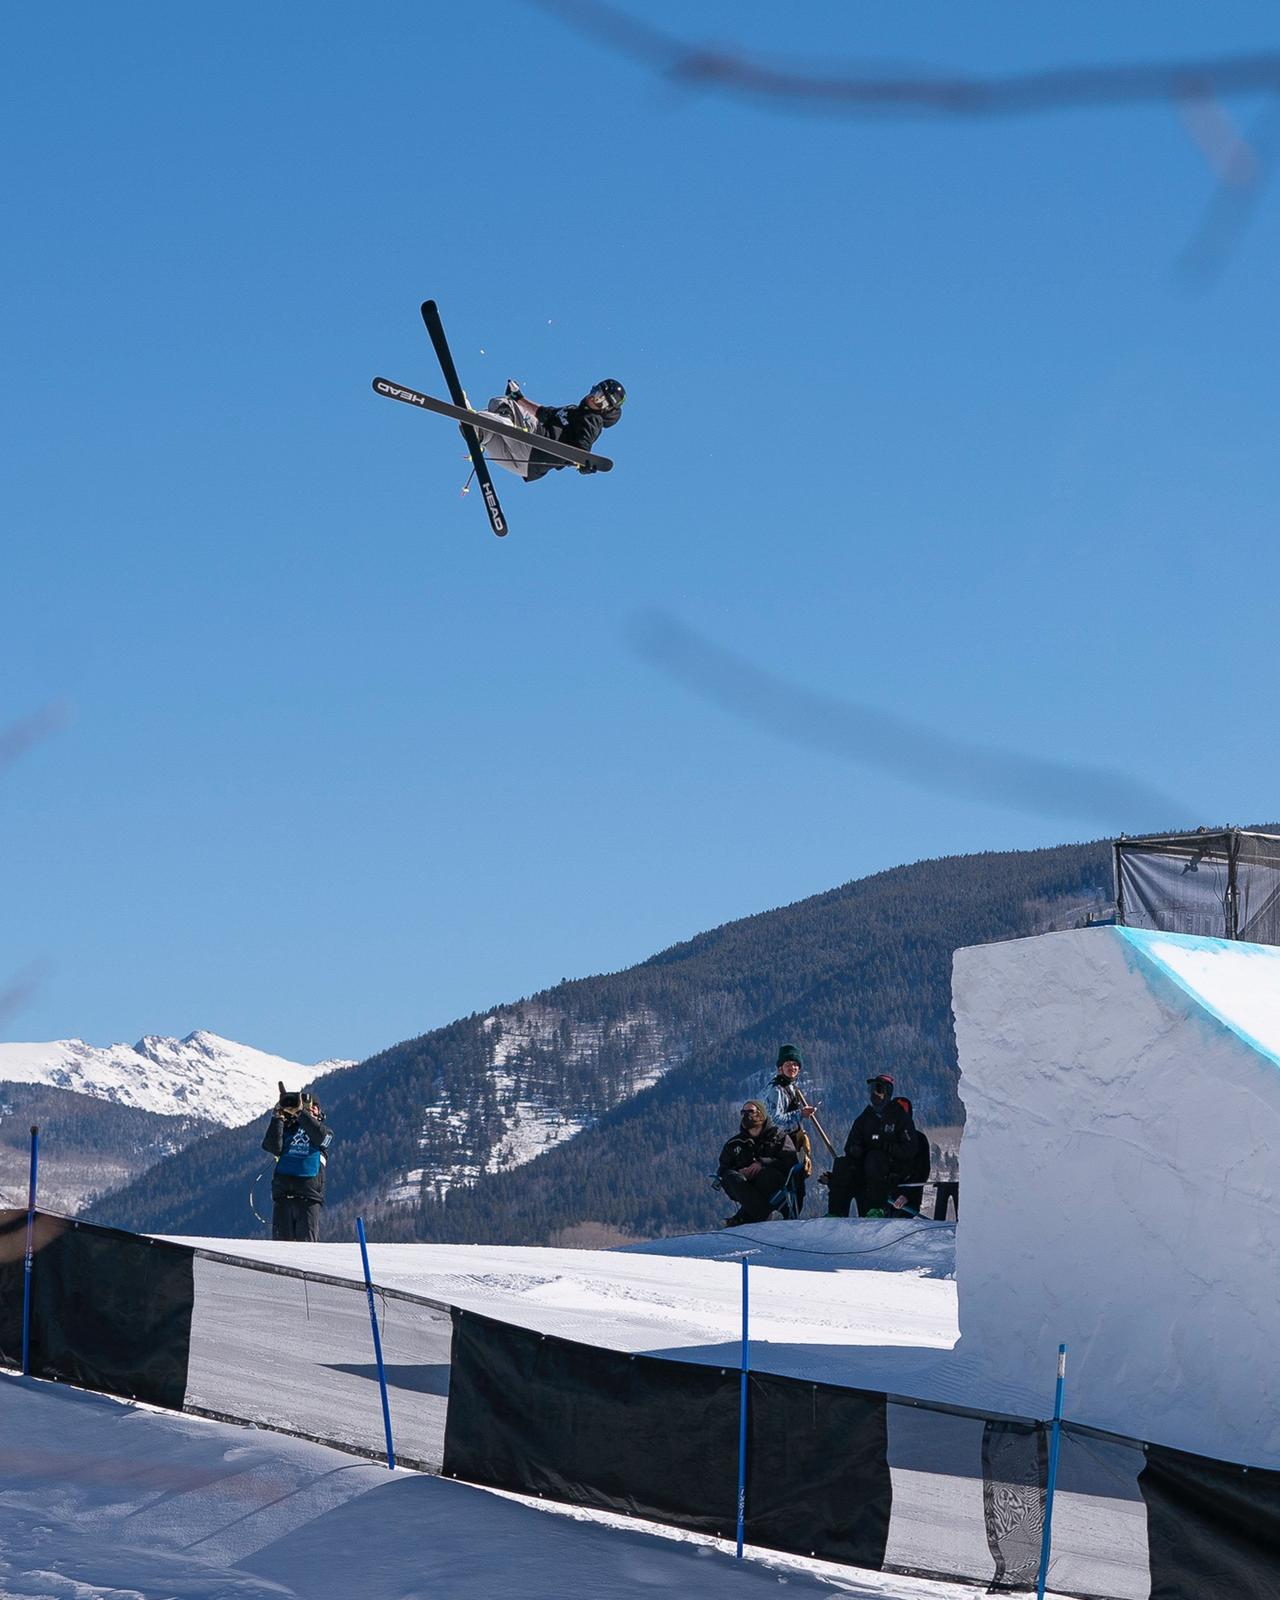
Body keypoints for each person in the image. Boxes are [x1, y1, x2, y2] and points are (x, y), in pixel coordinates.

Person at [475, 378, 625, 481]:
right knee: (488, 430)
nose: (593, 399)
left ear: (606, 409)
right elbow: (544, 413)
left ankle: (503, 423)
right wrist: (518, 397)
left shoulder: (592, 419)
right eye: (596, 393)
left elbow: (583, 445)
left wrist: (584, 463)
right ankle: (478, 431)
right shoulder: (572, 410)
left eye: (601, 401)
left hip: (535, 446)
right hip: (524, 467)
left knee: (502, 402)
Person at [827, 1073, 915, 1218]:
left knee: (876, 1158)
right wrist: (856, 1149)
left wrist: (885, 1146)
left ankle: (877, 1208)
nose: (874, 1093)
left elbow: (910, 1150)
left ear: (887, 1092)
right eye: (871, 1089)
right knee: (842, 1163)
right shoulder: (865, 1118)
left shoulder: (900, 1118)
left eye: (878, 1089)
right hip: (865, 1167)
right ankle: (836, 1212)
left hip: (891, 1170)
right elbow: (849, 1146)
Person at [261, 1085, 333, 1242]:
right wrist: (278, 1117)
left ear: (320, 1113)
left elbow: (320, 1138)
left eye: (314, 1107)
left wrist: (301, 1113)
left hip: (309, 1198)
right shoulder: (287, 1129)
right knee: (281, 1250)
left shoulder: (325, 1133)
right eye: (308, 1106)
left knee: (306, 1249)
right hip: (283, 1196)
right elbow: (272, 1147)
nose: (311, 1109)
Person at [717, 1100, 798, 1226]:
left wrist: (763, 1163)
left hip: (772, 1181)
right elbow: (723, 1169)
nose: (746, 1115)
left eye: (751, 1111)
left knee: (766, 1174)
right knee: (730, 1176)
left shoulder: (779, 1137)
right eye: (743, 1112)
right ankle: (767, 1214)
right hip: (743, 1184)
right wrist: (739, 1173)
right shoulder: (734, 1144)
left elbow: (790, 1161)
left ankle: (742, 1218)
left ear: (761, 1114)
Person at [761, 1044, 819, 1217]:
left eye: (795, 1065)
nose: (793, 1068)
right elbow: (775, 1121)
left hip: (790, 1141)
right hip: (779, 1144)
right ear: (780, 1068)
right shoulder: (777, 1090)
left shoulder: (791, 1087)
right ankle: (789, 1217)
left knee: (796, 1181)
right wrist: (800, 1114)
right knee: (791, 1183)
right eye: (788, 1065)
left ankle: (791, 1216)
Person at [888, 1096, 931, 1216]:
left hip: (908, 1199)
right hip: (884, 1197)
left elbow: (922, 1171)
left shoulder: (919, 1140)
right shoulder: (885, 1139)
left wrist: (906, 1195)